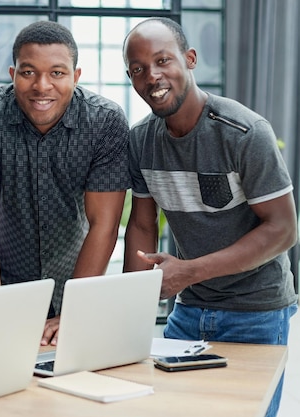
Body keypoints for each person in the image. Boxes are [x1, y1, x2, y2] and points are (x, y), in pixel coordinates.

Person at [122, 17, 298, 417]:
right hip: (188, 312)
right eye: (137, 69)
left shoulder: (244, 132)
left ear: (190, 58)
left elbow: (283, 229)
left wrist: (189, 272)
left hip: (257, 311)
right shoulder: (140, 140)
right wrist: (131, 304)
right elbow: (142, 224)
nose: (152, 76)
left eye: (163, 60)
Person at [0, 20, 131, 346]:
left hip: (75, 285)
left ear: (75, 77)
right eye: (28, 72)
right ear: (12, 73)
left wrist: (75, 309)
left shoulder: (105, 122)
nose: (42, 86)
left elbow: (104, 223)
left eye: (57, 73)